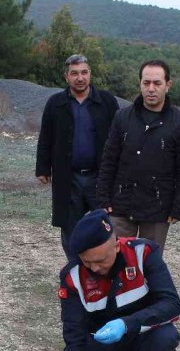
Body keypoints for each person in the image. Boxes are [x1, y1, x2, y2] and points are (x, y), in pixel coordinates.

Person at [45, 209, 180, 351]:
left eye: (101, 260)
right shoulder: (72, 276)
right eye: (87, 262)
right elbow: (74, 332)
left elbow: (172, 305)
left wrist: (127, 323)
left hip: (140, 337)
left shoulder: (144, 253)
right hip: (99, 344)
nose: (95, 268)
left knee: (166, 337)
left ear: (117, 246)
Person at [96, 59, 180, 251]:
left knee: (149, 263)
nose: (151, 88)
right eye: (146, 83)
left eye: (157, 83)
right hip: (121, 204)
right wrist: (103, 198)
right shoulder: (122, 117)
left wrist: (179, 206)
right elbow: (109, 159)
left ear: (168, 85)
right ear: (140, 84)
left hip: (158, 207)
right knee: (116, 259)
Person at [36, 54, 120, 257]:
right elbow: (46, 137)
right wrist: (43, 168)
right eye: (74, 73)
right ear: (66, 77)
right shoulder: (56, 103)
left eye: (84, 72)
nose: (79, 78)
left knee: (107, 224)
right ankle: (75, 271)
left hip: (100, 177)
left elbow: (119, 137)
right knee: (70, 228)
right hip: (69, 177)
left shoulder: (106, 102)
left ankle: (104, 269)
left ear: (90, 74)